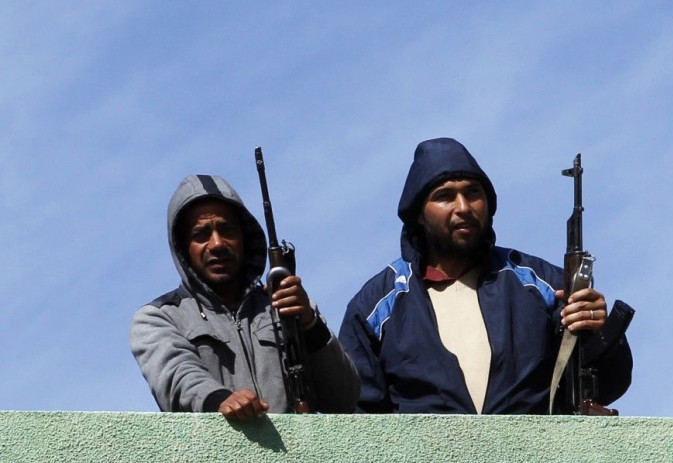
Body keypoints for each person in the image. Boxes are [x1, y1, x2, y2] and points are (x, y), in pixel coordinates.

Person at [338, 137, 633, 414]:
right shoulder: (377, 306)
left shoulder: (539, 284)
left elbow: (605, 386)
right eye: (444, 197)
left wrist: (597, 330)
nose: (463, 207)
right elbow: (356, 416)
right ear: (418, 213)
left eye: (473, 193)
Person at [131, 174, 360, 420]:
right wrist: (219, 401)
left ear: (245, 237)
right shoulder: (158, 319)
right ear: (183, 248)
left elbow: (344, 398)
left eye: (226, 229)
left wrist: (310, 324)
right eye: (201, 234)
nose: (217, 243)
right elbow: (177, 377)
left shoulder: (286, 305)